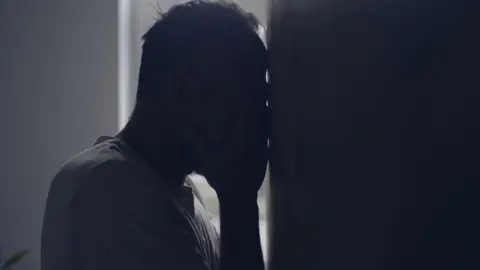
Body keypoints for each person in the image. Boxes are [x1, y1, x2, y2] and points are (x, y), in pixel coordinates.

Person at [40, 1, 268, 270]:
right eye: (243, 95)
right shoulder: (109, 188)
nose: (255, 117)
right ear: (182, 89)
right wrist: (238, 199)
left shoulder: (172, 188)